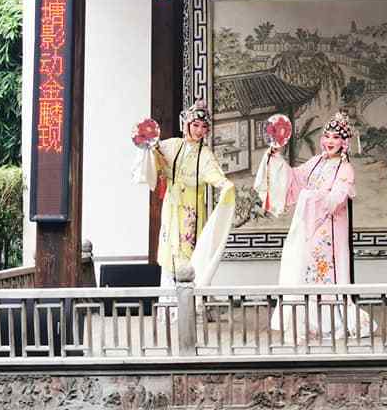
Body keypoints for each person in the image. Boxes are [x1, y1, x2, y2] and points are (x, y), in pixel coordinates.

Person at [255, 112, 372, 337]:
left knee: (327, 274)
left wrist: (312, 197)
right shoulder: (316, 161)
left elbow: (336, 199)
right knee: (306, 269)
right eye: (326, 136)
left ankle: (332, 322)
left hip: (330, 231)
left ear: (344, 142)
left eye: (336, 137)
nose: (329, 141)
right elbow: (294, 178)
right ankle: (308, 321)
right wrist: (276, 158)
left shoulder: (345, 168)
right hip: (309, 228)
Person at [133, 100, 236, 290]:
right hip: (171, 209)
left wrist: (225, 185)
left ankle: (191, 307)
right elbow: (154, 158)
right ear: (186, 125)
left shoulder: (205, 155)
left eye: (203, 127)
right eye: (195, 125)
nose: (199, 130)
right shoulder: (173, 145)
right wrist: (150, 147)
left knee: (190, 254)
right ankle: (168, 306)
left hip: (191, 211)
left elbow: (214, 175)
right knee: (168, 253)